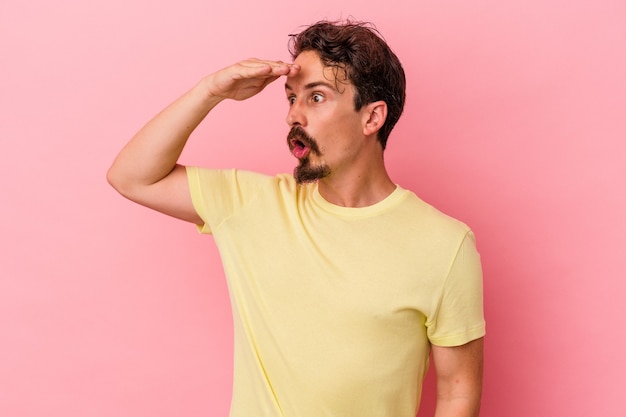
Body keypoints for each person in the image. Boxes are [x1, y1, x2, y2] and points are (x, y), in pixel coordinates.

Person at [108, 20, 485, 417]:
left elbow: (458, 392)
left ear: (371, 118)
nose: (293, 116)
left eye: (316, 97)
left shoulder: (444, 244)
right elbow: (131, 176)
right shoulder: (251, 204)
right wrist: (210, 92)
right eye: (290, 98)